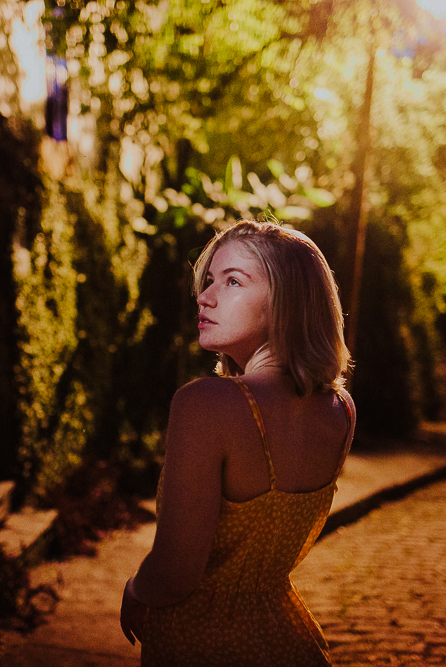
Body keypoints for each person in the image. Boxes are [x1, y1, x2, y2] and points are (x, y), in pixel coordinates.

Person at [120, 219, 356, 665]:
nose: (205, 296)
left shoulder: (207, 404)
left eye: (232, 281)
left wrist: (136, 589)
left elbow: (176, 570)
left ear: (284, 304)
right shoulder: (341, 410)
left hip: (201, 645)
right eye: (209, 281)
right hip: (287, 643)